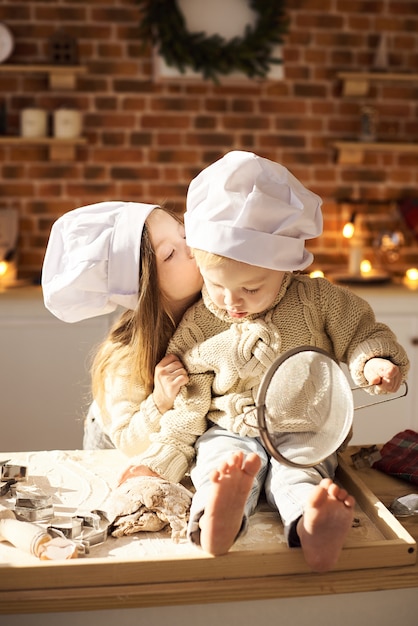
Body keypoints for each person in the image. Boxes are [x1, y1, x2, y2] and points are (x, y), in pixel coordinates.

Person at [126, 151, 409, 571]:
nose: (231, 301)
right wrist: (167, 454)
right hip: (230, 426)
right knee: (218, 464)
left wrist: (373, 362)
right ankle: (218, 516)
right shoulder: (196, 326)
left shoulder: (318, 300)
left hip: (303, 428)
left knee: (300, 474)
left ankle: (312, 521)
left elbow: (362, 333)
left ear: (286, 268)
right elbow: (192, 404)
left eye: (251, 289)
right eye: (217, 285)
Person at [42, 201, 203, 456]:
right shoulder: (127, 355)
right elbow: (128, 441)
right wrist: (160, 402)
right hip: (115, 447)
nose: (191, 246)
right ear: (147, 287)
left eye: (184, 233)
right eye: (170, 253)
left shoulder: (217, 298)